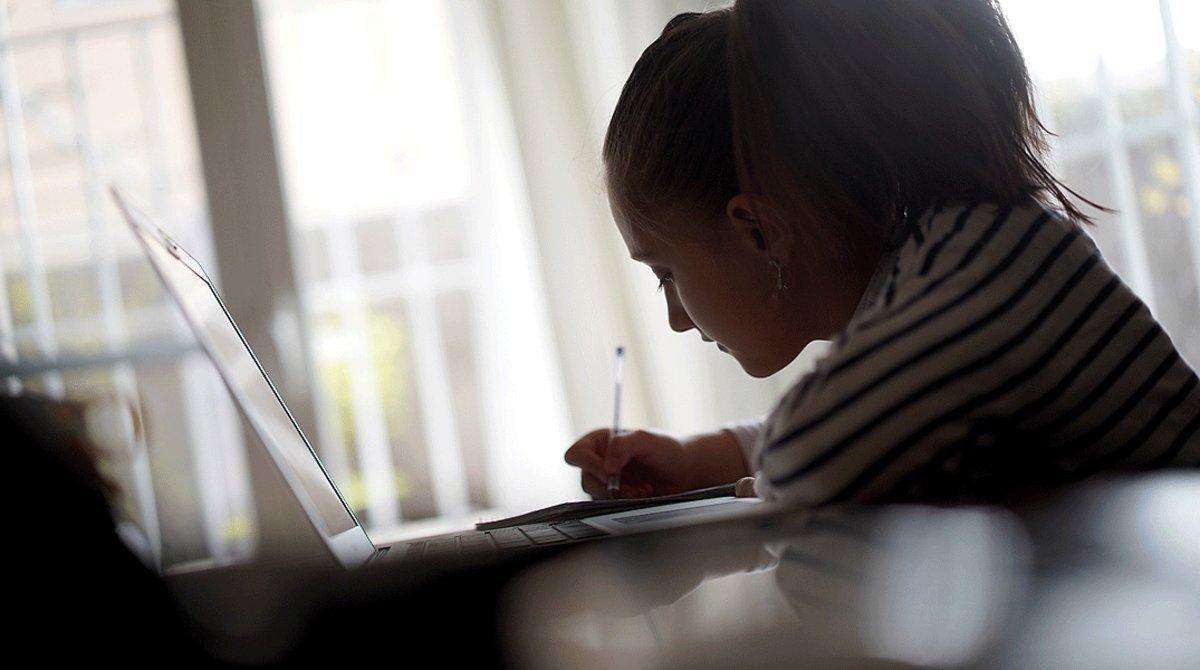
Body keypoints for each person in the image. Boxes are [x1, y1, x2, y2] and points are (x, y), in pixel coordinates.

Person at [564, 0, 1200, 506]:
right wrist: (703, 457)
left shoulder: (976, 273)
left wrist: (785, 479)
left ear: (757, 228)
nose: (676, 318)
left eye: (666, 274)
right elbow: (881, 415)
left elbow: (816, 455)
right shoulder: (953, 252)